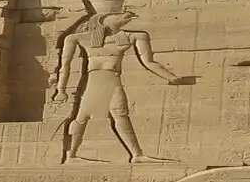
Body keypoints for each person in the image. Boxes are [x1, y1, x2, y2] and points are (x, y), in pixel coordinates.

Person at [52, 11, 192, 163]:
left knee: (120, 114)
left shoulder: (133, 36)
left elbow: (149, 62)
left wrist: (172, 77)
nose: (124, 19)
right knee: (83, 116)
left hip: (112, 79)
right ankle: (71, 156)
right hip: (95, 79)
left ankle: (137, 155)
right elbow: (65, 66)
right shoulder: (77, 38)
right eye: (119, 16)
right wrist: (61, 90)